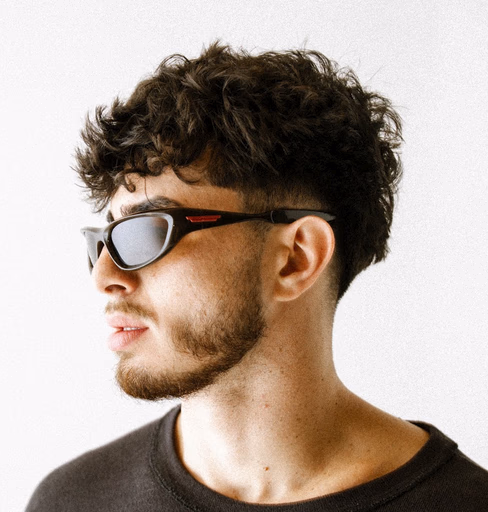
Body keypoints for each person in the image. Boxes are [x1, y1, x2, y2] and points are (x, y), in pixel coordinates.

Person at [26, 43, 488, 511]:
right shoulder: (72, 501)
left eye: (145, 232)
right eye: (104, 241)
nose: (105, 276)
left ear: (295, 258)